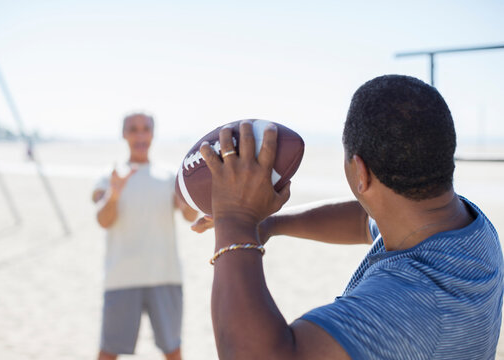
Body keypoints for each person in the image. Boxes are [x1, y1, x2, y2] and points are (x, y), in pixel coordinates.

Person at [193, 75, 503, 359]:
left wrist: (236, 220)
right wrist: (270, 224)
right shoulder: (470, 227)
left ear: (360, 173)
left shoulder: (411, 304)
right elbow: (364, 219)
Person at [92, 112, 197, 360]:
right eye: (133, 129)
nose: (140, 135)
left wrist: (188, 198)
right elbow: (103, 220)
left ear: (152, 134)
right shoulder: (109, 176)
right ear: (124, 134)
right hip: (121, 278)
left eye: (145, 129)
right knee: (108, 352)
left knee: (173, 350)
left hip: (166, 275)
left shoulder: (170, 177)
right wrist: (114, 194)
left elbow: (189, 215)